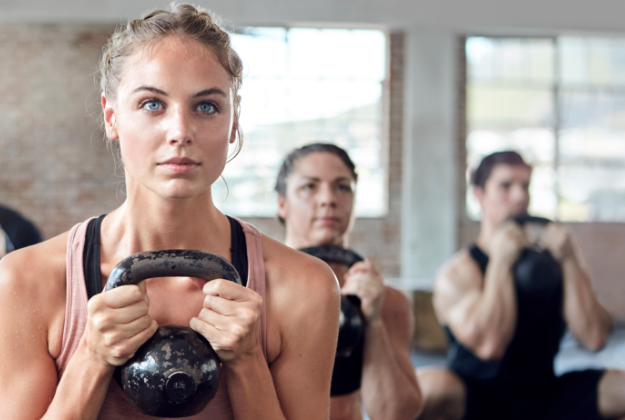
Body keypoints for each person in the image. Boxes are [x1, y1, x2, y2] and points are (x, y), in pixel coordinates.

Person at [0, 5, 341, 420]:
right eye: (151, 104)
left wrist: (248, 361)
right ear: (112, 117)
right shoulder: (25, 280)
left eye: (206, 107)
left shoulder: (304, 287)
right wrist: (91, 356)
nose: (180, 131)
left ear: (233, 123)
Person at [416, 151, 625, 420]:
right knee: (428, 387)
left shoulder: (556, 260)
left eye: (524, 186)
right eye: (506, 186)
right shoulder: (457, 273)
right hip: (477, 398)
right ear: (479, 194)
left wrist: (570, 259)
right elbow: (490, 345)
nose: (519, 197)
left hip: (545, 394)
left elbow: (595, 337)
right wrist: (501, 262)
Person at [275, 143, 422, 420]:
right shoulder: (258, 290)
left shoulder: (389, 301)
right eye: (309, 187)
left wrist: (374, 322)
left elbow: (396, 414)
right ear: (282, 203)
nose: (328, 199)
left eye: (342, 187)